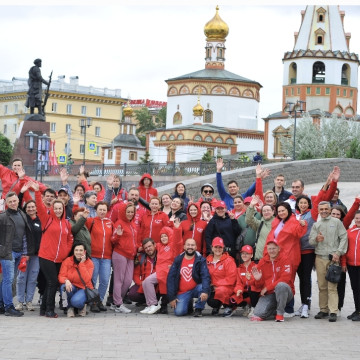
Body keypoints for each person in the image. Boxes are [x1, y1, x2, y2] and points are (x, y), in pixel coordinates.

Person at [33, 182, 73, 318]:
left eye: (60, 208)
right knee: (52, 282)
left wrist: (65, 251)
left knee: (52, 283)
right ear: (52, 208)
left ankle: (43, 309)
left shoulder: (66, 223)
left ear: (63, 209)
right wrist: (38, 192)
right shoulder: (47, 219)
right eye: (55, 208)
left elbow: (70, 239)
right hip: (46, 257)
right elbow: (39, 205)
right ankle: (49, 310)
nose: (57, 210)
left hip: (59, 258)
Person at [264, 201, 307, 316]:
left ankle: (289, 308)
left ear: (288, 211)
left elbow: (299, 233)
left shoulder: (294, 222)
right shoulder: (277, 222)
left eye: (283, 210)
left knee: (288, 282)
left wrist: (303, 224)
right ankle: (278, 307)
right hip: (276, 256)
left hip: (289, 257)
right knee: (277, 281)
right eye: (279, 211)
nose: (281, 212)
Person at [309, 201, 348, 322]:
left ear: (330, 210)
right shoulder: (316, 224)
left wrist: (338, 252)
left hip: (333, 258)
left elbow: (344, 237)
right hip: (320, 258)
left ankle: (333, 311)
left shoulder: (336, 222)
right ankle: (323, 309)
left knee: (332, 286)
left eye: (326, 209)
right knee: (321, 286)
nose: (324, 211)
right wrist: (316, 239)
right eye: (321, 209)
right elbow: (311, 241)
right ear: (319, 211)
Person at [0, 192, 34, 316]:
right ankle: (9, 307)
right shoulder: (3, 216)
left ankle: (1, 304)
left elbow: (25, 234)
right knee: (9, 280)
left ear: (18, 201)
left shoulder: (22, 214)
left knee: (8, 280)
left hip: (19, 252)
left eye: (15, 201)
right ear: (7, 203)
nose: (13, 203)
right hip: (7, 253)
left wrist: (26, 252)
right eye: (10, 202)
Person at [140, 226, 182, 315]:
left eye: (165, 236)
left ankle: (154, 304)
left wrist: (177, 229)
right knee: (145, 282)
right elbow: (150, 245)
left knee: (148, 281)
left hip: (167, 271)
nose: (163, 238)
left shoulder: (173, 245)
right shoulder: (159, 246)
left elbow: (178, 242)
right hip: (160, 271)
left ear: (170, 236)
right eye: (162, 236)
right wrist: (138, 248)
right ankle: (150, 305)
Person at [250, 239, 294, 322]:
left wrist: (267, 288)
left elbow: (285, 279)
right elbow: (257, 284)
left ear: (279, 249)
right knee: (257, 314)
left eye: (274, 248)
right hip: (270, 294)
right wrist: (258, 280)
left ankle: (280, 313)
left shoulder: (285, 259)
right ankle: (273, 310)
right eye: (269, 249)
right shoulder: (263, 262)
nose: (271, 251)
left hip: (284, 292)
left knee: (281, 285)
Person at [167, 238, 211, 317]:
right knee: (179, 312)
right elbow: (171, 278)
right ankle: (188, 304)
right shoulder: (178, 260)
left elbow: (205, 276)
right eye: (188, 245)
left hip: (196, 289)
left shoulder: (200, 260)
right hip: (182, 292)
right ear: (184, 247)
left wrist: (205, 291)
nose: (190, 247)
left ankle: (198, 309)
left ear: (196, 247)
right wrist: (172, 297)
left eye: (192, 245)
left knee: (204, 288)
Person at [85, 201, 113, 312]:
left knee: (105, 280)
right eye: (100, 209)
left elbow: (113, 238)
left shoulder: (110, 222)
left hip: (106, 257)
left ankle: (100, 300)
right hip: (94, 256)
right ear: (96, 210)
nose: (102, 211)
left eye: (104, 210)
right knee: (92, 280)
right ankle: (93, 302)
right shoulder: (90, 221)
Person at [111, 202, 138, 314]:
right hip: (120, 254)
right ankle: (118, 304)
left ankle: (116, 301)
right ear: (123, 212)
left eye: (132, 212)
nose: (130, 214)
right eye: (128, 212)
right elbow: (112, 240)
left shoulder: (133, 224)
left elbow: (134, 240)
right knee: (119, 280)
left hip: (130, 256)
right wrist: (118, 235)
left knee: (127, 281)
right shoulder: (119, 223)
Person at [15, 199, 42, 312]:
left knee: (32, 279)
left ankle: (29, 301)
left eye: (32, 207)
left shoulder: (41, 220)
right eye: (28, 207)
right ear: (25, 209)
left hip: (36, 255)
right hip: (25, 254)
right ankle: (20, 302)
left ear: (36, 208)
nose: (31, 209)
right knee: (21, 278)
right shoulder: (23, 219)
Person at [58, 242, 94, 317]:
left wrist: (82, 264)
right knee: (63, 287)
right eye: (76, 250)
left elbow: (87, 279)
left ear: (84, 252)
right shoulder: (67, 261)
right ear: (73, 251)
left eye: (81, 250)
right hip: (72, 286)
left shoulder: (89, 263)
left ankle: (81, 306)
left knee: (76, 301)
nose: (78, 252)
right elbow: (61, 276)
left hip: (84, 288)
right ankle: (70, 308)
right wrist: (66, 281)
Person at [206, 237, 237, 317]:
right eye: (216, 247)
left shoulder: (229, 260)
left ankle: (229, 306)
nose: (218, 249)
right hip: (213, 288)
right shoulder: (207, 261)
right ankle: (217, 305)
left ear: (223, 248)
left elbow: (231, 278)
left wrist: (216, 285)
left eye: (220, 247)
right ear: (212, 248)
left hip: (227, 287)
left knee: (221, 291)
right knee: (211, 301)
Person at [229, 245, 260, 318]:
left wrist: (250, 279)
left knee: (252, 288)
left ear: (251, 255)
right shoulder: (239, 269)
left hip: (255, 293)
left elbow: (258, 283)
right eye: (243, 253)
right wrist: (238, 290)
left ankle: (253, 308)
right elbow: (238, 283)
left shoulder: (256, 267)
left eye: (247, 253)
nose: (244, 255)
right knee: (233, 299)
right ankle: (246, 306)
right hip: (245, 292)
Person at [127, 238, 157, 305]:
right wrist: (140, 283)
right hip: (144, 283)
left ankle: (161, 303)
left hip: (158, 284)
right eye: (146, 248)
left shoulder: (160, 256)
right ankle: (145, 300)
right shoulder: (141, 258)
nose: (148, 249)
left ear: (154, 245)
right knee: (132, 294)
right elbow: (136, 274)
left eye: (149, 246)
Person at [245, 195, 275, 262]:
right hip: (260, 258)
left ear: (273, 212)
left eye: (268, 210)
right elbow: (248, 220)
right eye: (264, 211)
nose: (266, 212)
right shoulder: (260, 224)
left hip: (274, 258)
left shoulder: (278, 224)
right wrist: (251, 206)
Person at [342, 211, 360, 321]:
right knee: (355, 288)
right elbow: (345, 249)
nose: (358, 220)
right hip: (352, 265)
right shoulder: (349, 232)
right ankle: (357, 309)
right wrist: (344, 263)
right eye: (357, 218)